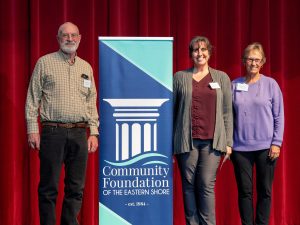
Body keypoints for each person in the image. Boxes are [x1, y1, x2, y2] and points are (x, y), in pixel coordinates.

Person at [25, 22, 99, 225]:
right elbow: (33, 99)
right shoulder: (45, 63)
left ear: (80, 38)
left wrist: (93, 131)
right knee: (49, 187)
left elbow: (90, 101)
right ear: (58, 39)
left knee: (76, 188)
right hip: (52, 132)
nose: (70, 39)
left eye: (74, 35)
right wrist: (33, 130)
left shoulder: (86, 67)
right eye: (65, 35)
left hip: (79, 134)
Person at [173, 36, 233, 225]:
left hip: (212, 142)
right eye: (196, 50)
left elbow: (227, 112)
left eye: (203, 49)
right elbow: (172, 111)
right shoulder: (179, 77)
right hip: (186, 140)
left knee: (206, 184)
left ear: (209, 52)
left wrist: (228, 142)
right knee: (189, 186)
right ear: (191, 54)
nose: (200, 53)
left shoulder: (221, 77)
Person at [231, 42, 284, 225]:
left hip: (266, 148)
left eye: (257, 59)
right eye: (249, 59)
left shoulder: (271, 85)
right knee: (245, 192)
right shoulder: (234, 85)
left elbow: (279, 116)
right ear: (243, 61)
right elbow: (228, 117)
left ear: (263, 62)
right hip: (240, 149)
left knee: (264, 191)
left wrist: (276, 142)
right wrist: (229, 144)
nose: (253, 63)